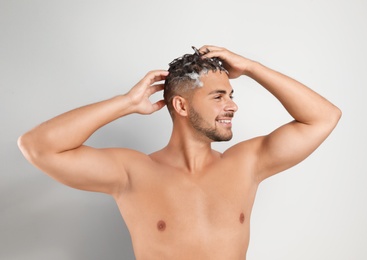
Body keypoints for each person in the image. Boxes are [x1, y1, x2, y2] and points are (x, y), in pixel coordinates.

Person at [18, 45, 341, 259]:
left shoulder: (247, 163)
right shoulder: (132, 172)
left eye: (231, 95)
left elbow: (324, 117)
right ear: (181, 105)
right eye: (218, 97)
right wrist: (126, 103)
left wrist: (252, 67)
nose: (232, 105)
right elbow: (38, 146)